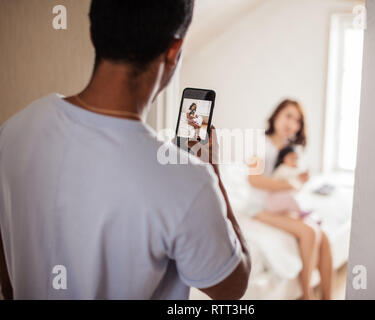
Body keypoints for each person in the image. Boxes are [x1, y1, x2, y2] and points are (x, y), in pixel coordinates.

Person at [0, 0, 250, 300]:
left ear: (95, 34)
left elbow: (7, 269)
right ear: (174, 51)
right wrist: (214, 175)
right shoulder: (189, 181)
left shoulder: (13, 131)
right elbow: (232, 288)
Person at [248, 99, 333, 300]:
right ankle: (307, 295)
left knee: (326, 239)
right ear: (276, 115)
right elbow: (254, 179)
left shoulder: (289, 150)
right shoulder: (260, 143)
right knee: (310, 232)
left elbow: (289, 183)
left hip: (280, 208)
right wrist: (290, 184)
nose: (292, 123)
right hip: (258, 209)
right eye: (288, 115)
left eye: (297, 120)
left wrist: (299, 181)